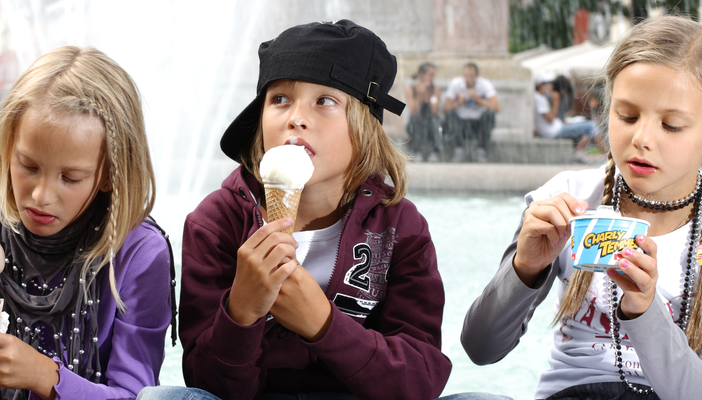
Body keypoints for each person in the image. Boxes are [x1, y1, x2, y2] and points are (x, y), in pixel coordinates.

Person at [139, 20, 507, 400]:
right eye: (279, 98)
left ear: (364, 126)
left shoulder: (400, 226)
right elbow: (205, 383)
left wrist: (323, 322)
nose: (295, 117)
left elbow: (420, 380)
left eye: (325, 101)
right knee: (160, 399)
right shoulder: (216, 222)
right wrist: (241, 312)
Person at [461, 15, 702, 400]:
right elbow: (480, 349)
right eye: (627, 116)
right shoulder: (565, 198)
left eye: (671, 125)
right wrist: (524, 268)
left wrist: (643, 308)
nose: (642, 139)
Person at [0, 46, 175, 400]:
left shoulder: (138, 252)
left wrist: (46, 375)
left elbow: (137, 395)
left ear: (110, 174)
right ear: (7, 148)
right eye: (28, 166)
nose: (41, 195)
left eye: (71, 177)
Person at [443, 62, 499, 163]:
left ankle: (481, 150)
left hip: (478, 124)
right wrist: (458, 103)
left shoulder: (485, 84)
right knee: (450, 114)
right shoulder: (456, 84)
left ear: (477, 76)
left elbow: (496, 107)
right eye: (465, 76)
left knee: (489, 115)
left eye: (471, 76)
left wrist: (477, 99)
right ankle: (457, 150)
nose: (468, 79)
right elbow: (446, 108)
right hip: (461, 124)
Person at [533, 71, 596, 162]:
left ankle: (578, 152)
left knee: (588, 129)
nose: (551, 86)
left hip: (557, 128)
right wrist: (556, 101)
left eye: (551, 83)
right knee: (590, 126)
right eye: (548, 84)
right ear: (540, 85)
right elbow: (550, 119)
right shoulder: (538, 98)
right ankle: (606, 154)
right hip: (554, 132)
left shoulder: (541, 97)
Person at [405, 62, 444, 162]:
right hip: (415, 121)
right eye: (430, 75)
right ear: (421, 75)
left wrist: (435, 108)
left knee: (435, 120)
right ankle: (416, 150)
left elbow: (437, 112)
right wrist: (420, 96)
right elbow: (414, 111)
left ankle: (434, 151)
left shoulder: (436, 89)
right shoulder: (411, 88)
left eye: (433, 75)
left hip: (430, 120)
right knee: (417, 120)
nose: (432, 78)